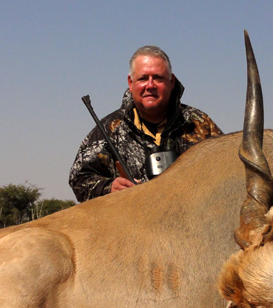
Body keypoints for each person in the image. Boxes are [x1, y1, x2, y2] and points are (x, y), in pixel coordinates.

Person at [69, 46, 223, 202]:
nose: (150, 85)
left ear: (171, 81)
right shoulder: (108, 129)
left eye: (158, 78)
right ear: (131, 82)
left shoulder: (199, 123)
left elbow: (229, 171)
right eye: (143, 78)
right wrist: (109, 188)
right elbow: (79, 179)